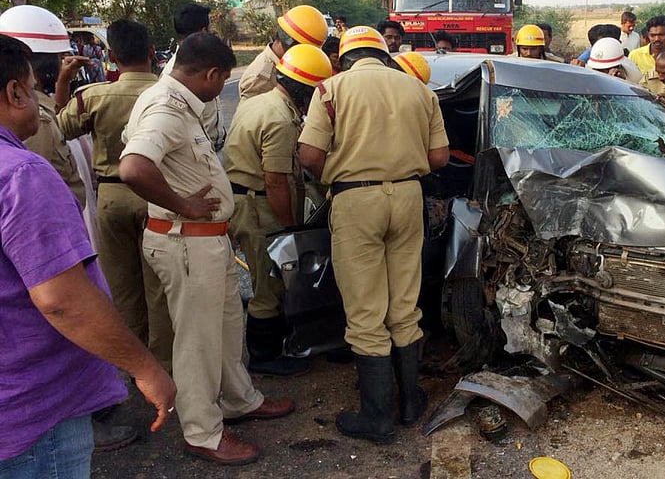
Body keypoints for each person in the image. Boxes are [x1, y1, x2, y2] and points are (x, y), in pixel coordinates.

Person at [0, 33, 176, 477]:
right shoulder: (21, 174)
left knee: (125, 287)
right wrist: (146, 368)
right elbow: (61, 299)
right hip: (33, 410)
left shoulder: (92, 98)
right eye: (32, 87)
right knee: (151, 289)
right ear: (15, 92)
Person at [120, 32, 295, 465]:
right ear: (212, 74)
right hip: (185, 242)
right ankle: (202, 432)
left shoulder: (173, 100)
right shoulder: (165, 106)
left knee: (227, 327)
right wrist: (184, 205)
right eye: (223, 80)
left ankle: (239, 399)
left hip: (204, 241)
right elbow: (133, 167)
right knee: (198, 341)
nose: (223, 88)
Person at [298, 25, 449, 444]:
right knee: (404, 302)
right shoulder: (420, 90)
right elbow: (438, 157)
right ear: (385, 55)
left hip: (355, 201)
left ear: (344, 57)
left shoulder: (330, 90)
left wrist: (337, 172)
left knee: (366, 311)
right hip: (408, 196)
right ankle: (411, 401)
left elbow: (310, 155)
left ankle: (377, 415)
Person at [57, 19, 174, 377]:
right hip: (159, 196)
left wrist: (63, 81)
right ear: (152, 53)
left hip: (111, 198)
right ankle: (164, 363)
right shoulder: (170, 92)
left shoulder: (93, 96)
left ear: (110, 57)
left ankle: (129, 367)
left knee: (121, 285)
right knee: (159, 285)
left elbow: (58, 127)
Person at [224, 44, 332, 376]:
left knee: (265, 277)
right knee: (270, 283)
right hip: (259, 204)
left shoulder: (260, 100)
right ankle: (263, 356)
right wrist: (290, 231)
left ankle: (271, 347)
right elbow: (275, 182)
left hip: (244, 198)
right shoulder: (280, 118)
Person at [0, 5, 90, 208]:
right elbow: (32, 199)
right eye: (60, 58)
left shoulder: (29, 112)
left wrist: (63, 82)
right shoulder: (34, 123)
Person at [161, 3, 227, 151]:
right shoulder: (175, 74)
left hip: (215, 148)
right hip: (198, 155)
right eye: (210, 30)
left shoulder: (202, 62)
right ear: (204, 31)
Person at [238, 5, 328, 101]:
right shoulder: (261, 79)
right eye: (307, 51)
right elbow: (255, 114)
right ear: (290, 43)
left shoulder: (286, 64)